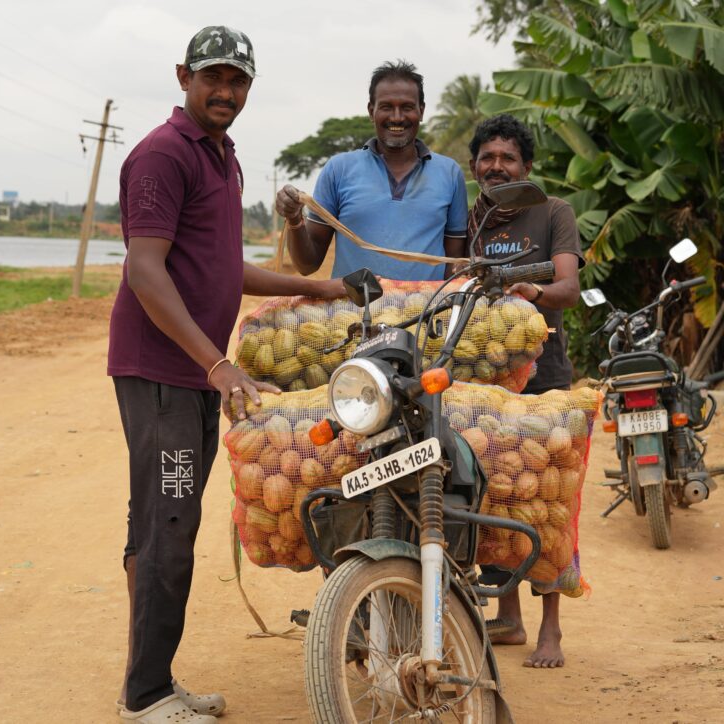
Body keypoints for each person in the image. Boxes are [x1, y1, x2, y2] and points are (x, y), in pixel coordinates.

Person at [108, 26, 343, 723]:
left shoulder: (224, 158)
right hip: (162, 373)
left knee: (164, 522)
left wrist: (322, 289)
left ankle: (153, 679)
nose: (226, 92)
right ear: (184, 75)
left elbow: (220, 268)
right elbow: (144, 268)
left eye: (238, 81)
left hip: (189, 374)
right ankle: (145, 696)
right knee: (167, 522)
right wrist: (214, 361)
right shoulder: (162, 154)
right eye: (214, 78)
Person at [468, 113, 584, 668]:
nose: (496, 166)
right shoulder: (472, 219)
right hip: (485, 383)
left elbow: (569, 288)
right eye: (487, 158)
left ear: (526, 167)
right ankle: (509, 617)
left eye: (507, 158)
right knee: (494, 494)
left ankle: (552, 630)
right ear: (474, 167)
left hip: (546, 382)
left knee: (550, 501)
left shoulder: (554, 212)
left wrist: (533, 292)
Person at [275, 60, 468, 281]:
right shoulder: (338, 170)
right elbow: (307, 265)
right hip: (350, 312)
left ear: (421, 111)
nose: (397, 117)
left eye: (407, 107)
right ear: (371, 111)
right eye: (386, 107)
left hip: (425, 310)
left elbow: (454, 265)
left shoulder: (450, 173)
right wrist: (294, 219)